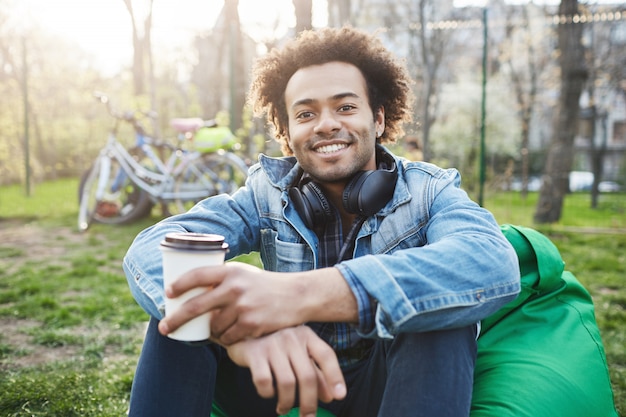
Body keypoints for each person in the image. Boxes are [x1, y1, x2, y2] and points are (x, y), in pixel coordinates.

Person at [123, 26, 521, 417]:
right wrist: (239, 330)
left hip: (386, 381)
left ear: (379, 119)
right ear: (287, 131)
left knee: (435, 315)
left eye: (345, 107)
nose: (326, 124)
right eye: (306, 113)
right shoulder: (263, 194)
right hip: (283, 377)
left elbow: (490, 261)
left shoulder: (429, 191)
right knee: (181, 311)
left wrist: (296, 296)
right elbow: (153, 248)